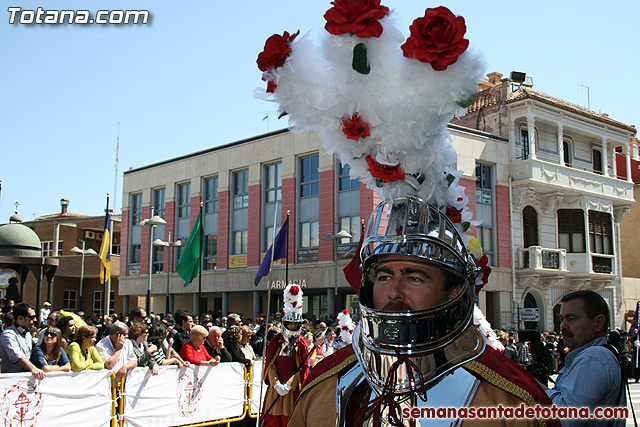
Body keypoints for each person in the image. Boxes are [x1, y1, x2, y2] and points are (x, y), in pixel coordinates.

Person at [546, 290, 626, 426]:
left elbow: (567, 419)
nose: (563, 326)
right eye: (561, 319)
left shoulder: (593, 357)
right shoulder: (596, 355)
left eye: (571, 319)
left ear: (598, 323)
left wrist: (539, 390)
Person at [260, 284, 309, 427]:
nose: (292, 327)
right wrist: (276, 384)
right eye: (289, 324)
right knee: (272, 420)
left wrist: (289, 385)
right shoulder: (277, 340)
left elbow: (303, 367)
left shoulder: (301, 343)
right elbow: (270, 364)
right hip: (275, 389)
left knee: (291, 419)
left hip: (292, 390)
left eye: (295, 324)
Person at [0, 302, 45, 379]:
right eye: (31, 317)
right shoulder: (8, 334)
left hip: (27, 378)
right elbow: (17, 356)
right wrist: (33, 368)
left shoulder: (27, 334)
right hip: (10, 380)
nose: (35, 320)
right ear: (20, 318)